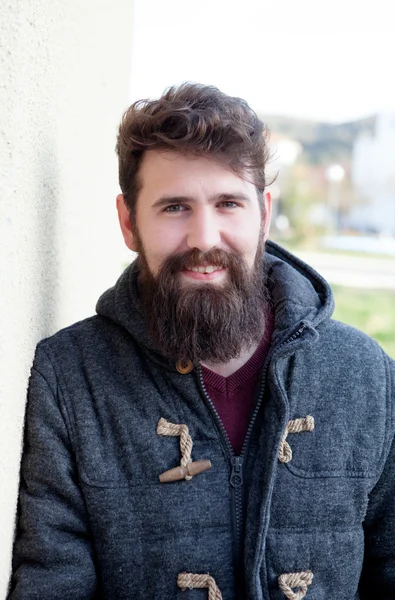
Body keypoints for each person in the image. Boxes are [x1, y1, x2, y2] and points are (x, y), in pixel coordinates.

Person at [8, 83, 395, 600]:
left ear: (264, 215)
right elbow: (52, 583)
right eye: (174, 208)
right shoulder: (71, 377)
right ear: (128, 222)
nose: (204, 238)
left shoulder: (366, 374)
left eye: (228, 203)